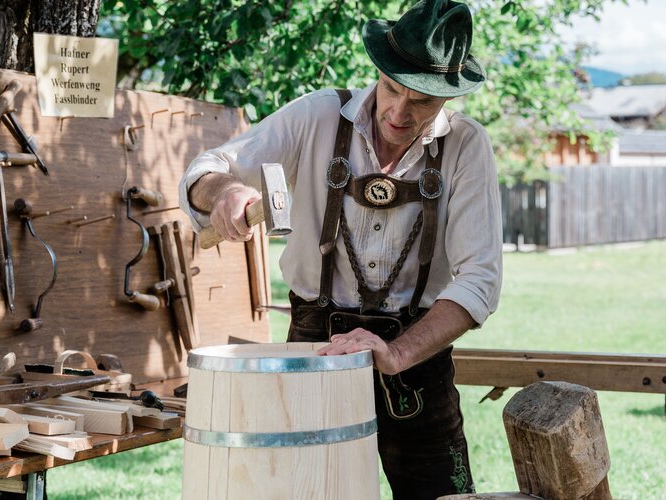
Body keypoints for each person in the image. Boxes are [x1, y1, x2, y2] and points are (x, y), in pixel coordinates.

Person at [178, 0, 502, 497]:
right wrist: (224, 192)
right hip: (314, 345)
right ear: (379, 69)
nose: (398, 112)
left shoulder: (465, 146)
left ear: (448, 97)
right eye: (393, 88)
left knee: (443, 493)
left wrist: (397, 352)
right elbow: (207, 167)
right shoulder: (319, 115)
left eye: (421, 102)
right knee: (298, 490)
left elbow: (480, 280)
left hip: (416, 358)